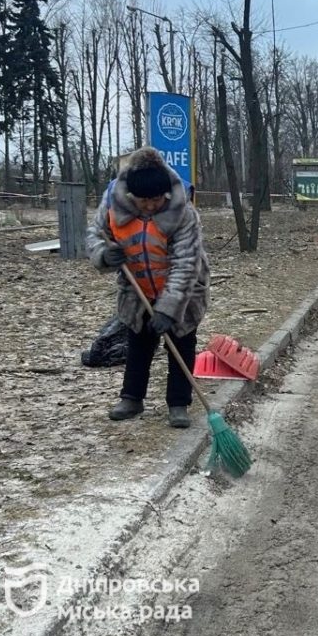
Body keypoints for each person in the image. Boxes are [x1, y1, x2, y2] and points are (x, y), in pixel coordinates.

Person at [85, 146, 210, 428]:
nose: (152, 206)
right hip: (136, 287)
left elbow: (186, 263)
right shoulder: (113, 206)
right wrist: (104, 254)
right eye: (145, 201)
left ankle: (179, 404)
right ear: (132, 196)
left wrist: (168, 309)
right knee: (139, 342)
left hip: (183, 291)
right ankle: (132, 398)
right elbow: (95, 235)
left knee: (181, 343)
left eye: (157, 199)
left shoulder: (182, 212)